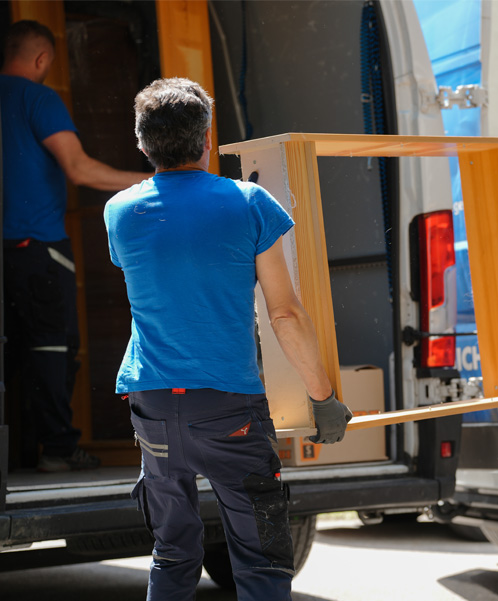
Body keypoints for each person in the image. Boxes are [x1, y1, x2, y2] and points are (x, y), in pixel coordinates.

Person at [104, 77, 352, 601]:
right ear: (207, 138)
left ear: (142, 143)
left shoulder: (119, 212)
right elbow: (284, 313)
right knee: (261, 560)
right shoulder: (247, 203)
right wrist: (323, 395)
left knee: (172, 551)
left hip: (152, 405)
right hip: (229, 409)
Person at [0, 20, 152, 472]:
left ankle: (23, 456)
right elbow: (80, 170)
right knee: (52, 349)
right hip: (36, 246)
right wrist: (155, 180)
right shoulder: (38, 98)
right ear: (42, 59)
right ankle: (59, 451)